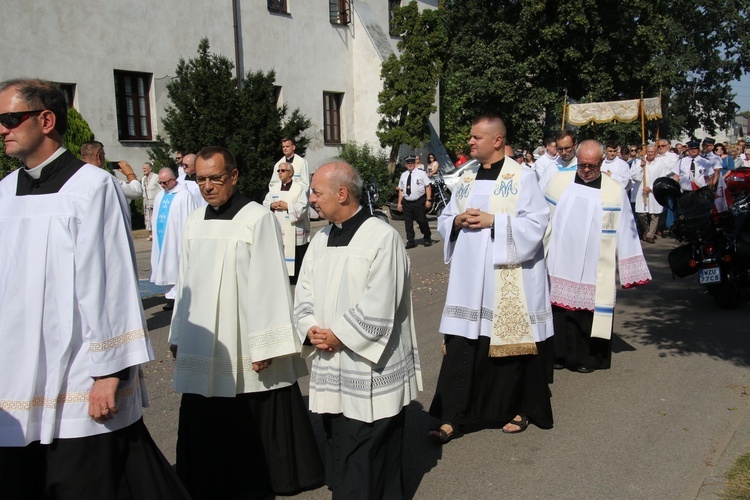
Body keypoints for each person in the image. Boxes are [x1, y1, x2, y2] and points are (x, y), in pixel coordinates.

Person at [0, 78, 187, 498]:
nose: (2, 128)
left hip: (76, 367)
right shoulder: (3, 193)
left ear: (46, 120)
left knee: (86, 478)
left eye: (10, 118)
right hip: (13, 369)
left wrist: (112, 372)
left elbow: (110, 281)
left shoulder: (91, 187)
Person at [169, 147, 323, 499]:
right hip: (201, 332)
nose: (207, 186)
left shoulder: (256, 217)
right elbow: (185, 282)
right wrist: (178, 331)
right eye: (201, 179)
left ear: (234, 177)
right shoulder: (194, 220)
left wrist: (266, 343)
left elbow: (269, 280)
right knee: (204, 405)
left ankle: (261, 476)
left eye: (215, 178)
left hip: (241, 332)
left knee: (248, 401)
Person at [294, 160, 422, 499]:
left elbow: (382, 301)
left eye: (317, 192)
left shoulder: (381, 237)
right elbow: (302, 292)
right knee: (339, 435)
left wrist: (339, 334)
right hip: (331, 358)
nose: (311, 199)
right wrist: (310, 329)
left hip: (367, 364)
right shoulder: (320, 240)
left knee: (368, 444)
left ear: (342, 193)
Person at [428, 114, 554, 443]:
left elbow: (538, 224)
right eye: (470, 137)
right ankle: (452, 416)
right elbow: (445, 216)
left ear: (497, 141)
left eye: (476, 137)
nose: (470, 142)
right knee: (463, 344)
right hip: (470, 280)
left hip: (506, 275)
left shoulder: (523, 177)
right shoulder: (466, 177)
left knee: (510, 347)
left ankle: (517, 408)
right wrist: (456, 220)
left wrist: (493, 221)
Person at [544, 140, 651, 373]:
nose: (586, 170)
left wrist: (630, 268)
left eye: (591, 165)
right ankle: (557, 355)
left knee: (587, 312)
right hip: (559, 259)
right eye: (582, 164)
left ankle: (585, 358)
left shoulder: (614, 191)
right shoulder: (559, 181)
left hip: (594, 262)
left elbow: (626, 229)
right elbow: (543, 219)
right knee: (557, 311)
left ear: (601, 162)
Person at [150, 167, 199, 310]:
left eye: (165, 182)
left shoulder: (184, 195)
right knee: (165, 266)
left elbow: (190, 216)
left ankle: (179, 298)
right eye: (161, 183)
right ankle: (170, 298)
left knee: (176, 266)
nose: (163, 185)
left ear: (174, 180)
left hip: (176, 238)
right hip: (162, 238)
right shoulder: (160, 195)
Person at [262, 162, 310, 283]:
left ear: (291, 173)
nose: (279, 173)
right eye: (278, 171)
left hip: (294, 228)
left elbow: (303, 207)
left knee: (296, 254)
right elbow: (265, 202)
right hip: (279, 227)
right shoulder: (274, 188)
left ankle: (296, 279)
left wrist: (287, 206)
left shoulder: (299, 189)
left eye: (282, 170)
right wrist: (272, 205)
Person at [397, 155, 434, 248]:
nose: (410, 165)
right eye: (408, 163)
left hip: (419, 201)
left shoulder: (421, 173)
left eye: (411, 163)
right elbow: (401, 189)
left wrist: (428, 199)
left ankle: (427, 237)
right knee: (408, 223)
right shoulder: (403, 175)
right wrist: (399, 202)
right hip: (407, 202)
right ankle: (410, 241)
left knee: (422, 220)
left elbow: (428, 186)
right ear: (405, 164)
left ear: (414, 163)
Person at [633, 144, 667, 243]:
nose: (650, 153)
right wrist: (641, 167)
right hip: (641, 191)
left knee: (654, 214)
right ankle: (647, 230)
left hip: (653, 192)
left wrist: (651, 188)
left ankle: (650, 235)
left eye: (652, 152)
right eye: (648, 151)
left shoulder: (660, 163)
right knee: (641, 213)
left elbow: (661, 178)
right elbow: (634, 177)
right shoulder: (639, 162)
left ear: (656, 153)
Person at [141, 161, 161, 241]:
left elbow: (161, 188)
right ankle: (150, 234)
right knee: (147, 218)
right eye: (143, 168)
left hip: (154, 201)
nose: (144, 170)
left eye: (145, 168)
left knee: (154, 218)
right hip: (146, 202)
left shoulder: (156, 177)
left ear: (150, 169)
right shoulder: (143, 178)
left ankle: (156, 234)